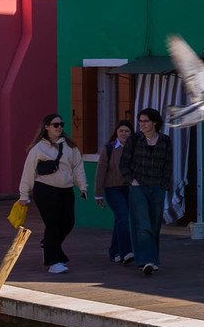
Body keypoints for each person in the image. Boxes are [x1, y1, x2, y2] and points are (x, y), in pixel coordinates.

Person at [17, 113, 88, 275]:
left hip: (66, 189)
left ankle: (48, 246)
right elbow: (28, 172)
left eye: (61, 124)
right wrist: (24, 195)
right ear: (47, 127)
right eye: (55, 125)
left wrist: (82, 186)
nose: (59, 127)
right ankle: (54, 262)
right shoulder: (38, 148)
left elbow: (78, 167)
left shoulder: (71, 147)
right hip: (45, 189)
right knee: (52, 224)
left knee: (68, 222)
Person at [128, 105, 174, 276]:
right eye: (140, 121)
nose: (142, 124)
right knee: (143, 223)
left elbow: (168, 164)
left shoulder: (165, 141)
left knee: (154, 223)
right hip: (138, 187)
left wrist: (164, 184)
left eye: (145, 121)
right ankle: (145, 260)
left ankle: (152, 260)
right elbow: (124, 164)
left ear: (154, 122)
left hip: (158, 187)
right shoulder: (134, 140)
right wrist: (132, 181)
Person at [95, 117, 136, 263]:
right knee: (123, 217)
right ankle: (127, 252)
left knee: (120, 220)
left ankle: (114, 251)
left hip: (130, 188)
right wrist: (98, 194)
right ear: (116, 132)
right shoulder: (109, 148)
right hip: (113, 189)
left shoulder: (135, 148)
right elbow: (101, 171)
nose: (124, 134)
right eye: (121, 131)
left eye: (127, 131)